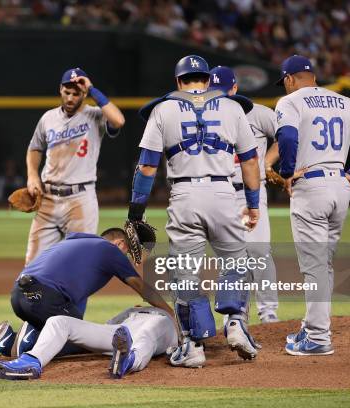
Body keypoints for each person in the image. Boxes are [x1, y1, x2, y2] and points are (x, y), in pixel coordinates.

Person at [127, 55, 262, 368]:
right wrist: (253, 204)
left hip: (185, 194)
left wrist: (136, 211)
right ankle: (235, 322)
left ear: (178, 81)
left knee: (186, 272)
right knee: (236, 262)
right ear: (207, 78)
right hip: (224, 193)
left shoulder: (162, 109)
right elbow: (251, 161)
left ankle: (193, 346)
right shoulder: (232, 106)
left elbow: (147, 166)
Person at [275, 55, 350, 355]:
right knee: (324, 264)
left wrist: (286, 172)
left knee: (313, 266)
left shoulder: (291, 101)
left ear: (290, 79)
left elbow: (286, 135)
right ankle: (312, 327)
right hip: (339, 186)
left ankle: (319, 338)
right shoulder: (344, 101)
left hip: (311, 186)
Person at [0, 228, 173, 364]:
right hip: (45, 296)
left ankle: (19, 335)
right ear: (119, 243)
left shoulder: (76, 242)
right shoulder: (111, 250)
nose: (128, 256)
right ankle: (18, 344)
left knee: (74, 324)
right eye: (128, 251)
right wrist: (170, 312)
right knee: (83, 337)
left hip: (19, 296)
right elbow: (141, 286)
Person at [24, 68, 125, 265]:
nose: (70, 98)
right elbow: (34, 149)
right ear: (60, 89)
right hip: (48, 198)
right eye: (66, 92)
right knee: (33, 266)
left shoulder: (96, 115)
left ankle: (73, 297)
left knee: (79, 264)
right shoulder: (48, 118)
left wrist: (92, 89)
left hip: (81, 199)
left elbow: (119, 120)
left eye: (76, 93)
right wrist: (32, 176)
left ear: (84, 94)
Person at [209, 66, 280, 323]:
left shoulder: (258, 113)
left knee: (259, 252)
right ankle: (236, 314)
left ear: (235, 89)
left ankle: (268, 313)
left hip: (252, 190)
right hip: (221, 193)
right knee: (231, 256)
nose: (218, 97)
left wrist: (268, 163)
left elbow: (287, 135)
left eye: (223, 91)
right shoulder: (204, 116)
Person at [0, 306, 177, 380]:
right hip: (120, 331)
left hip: (164, 327)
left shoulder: (168, 316)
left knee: (145, 336)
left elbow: (198, 338)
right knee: (59, 321)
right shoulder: (132, 310)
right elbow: (109, 326)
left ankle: (127, 361)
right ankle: (31, 362)